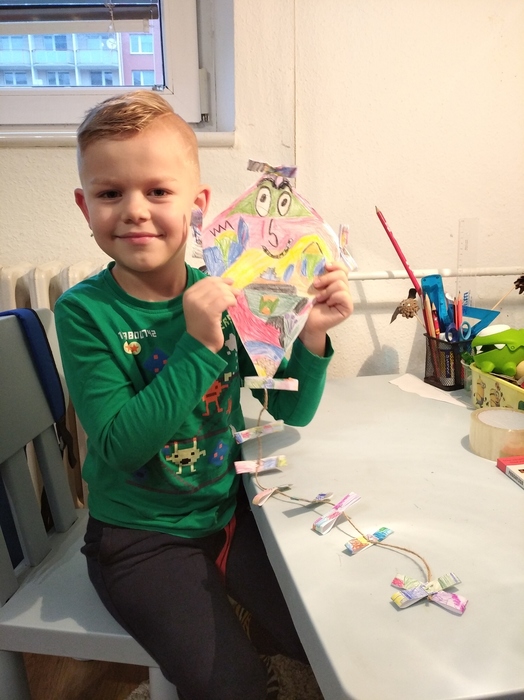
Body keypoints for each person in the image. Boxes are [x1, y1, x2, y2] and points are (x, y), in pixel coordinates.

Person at [54, 90, 353, 700]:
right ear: (85, 206)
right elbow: (119, 447)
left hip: (230, 515)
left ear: (198, 206)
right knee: (234, 685)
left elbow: (290, 408)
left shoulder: (228, 288)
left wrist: (312, 336)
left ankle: (245, 619)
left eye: (158, 191)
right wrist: (196, 344)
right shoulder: (83, 312)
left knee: (323, 637)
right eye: (110, 193)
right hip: (137, 540)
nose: (135, 211)